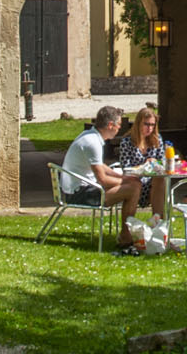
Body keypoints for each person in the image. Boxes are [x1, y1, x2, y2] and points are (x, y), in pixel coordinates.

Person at [58, 105, 163, 249]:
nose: (119, 128)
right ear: (110, 125)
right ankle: (126, 237)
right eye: (119, 124)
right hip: (79, 193)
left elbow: (101, 166)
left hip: (79, 188)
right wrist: (125, 181)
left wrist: (126, 179)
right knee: (134, 188)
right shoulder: (92, 143)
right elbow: (102, 179)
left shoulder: (89, 136)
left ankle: (129, 234)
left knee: (134, 185)